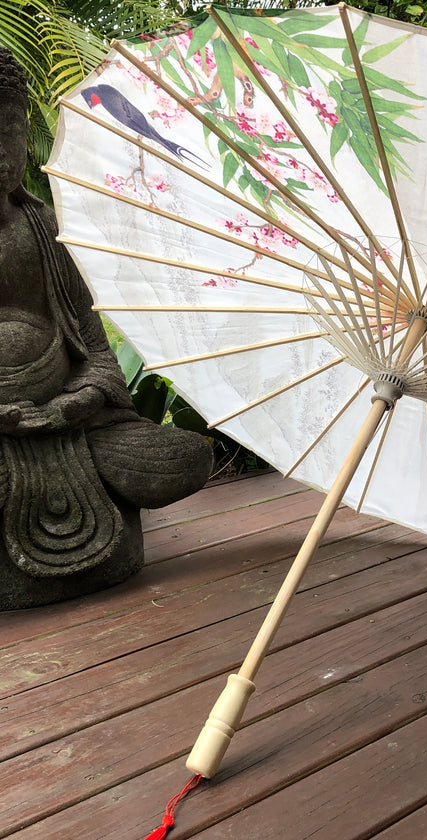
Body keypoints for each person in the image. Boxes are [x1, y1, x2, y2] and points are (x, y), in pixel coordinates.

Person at [0, 46, 212, 604]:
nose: (1, 151)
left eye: (10, 128)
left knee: (181, 459)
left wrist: (80, 398)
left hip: (73, 425)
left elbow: (95, 348)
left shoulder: (44, 227)